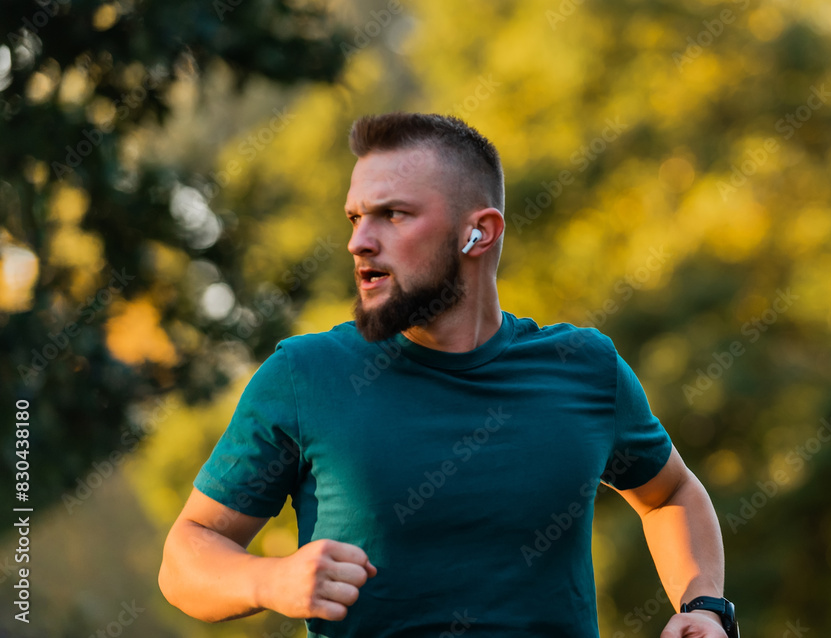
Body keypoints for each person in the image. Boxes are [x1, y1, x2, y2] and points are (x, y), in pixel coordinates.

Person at [158, 112, 738, 638]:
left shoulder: (584, 368)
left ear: (478, 232)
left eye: (393, 214)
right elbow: (188, 554)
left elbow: (670, 494)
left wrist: (704, 607)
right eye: (356, 217)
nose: (359, 241)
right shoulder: (304, 376)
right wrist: (271, 582)